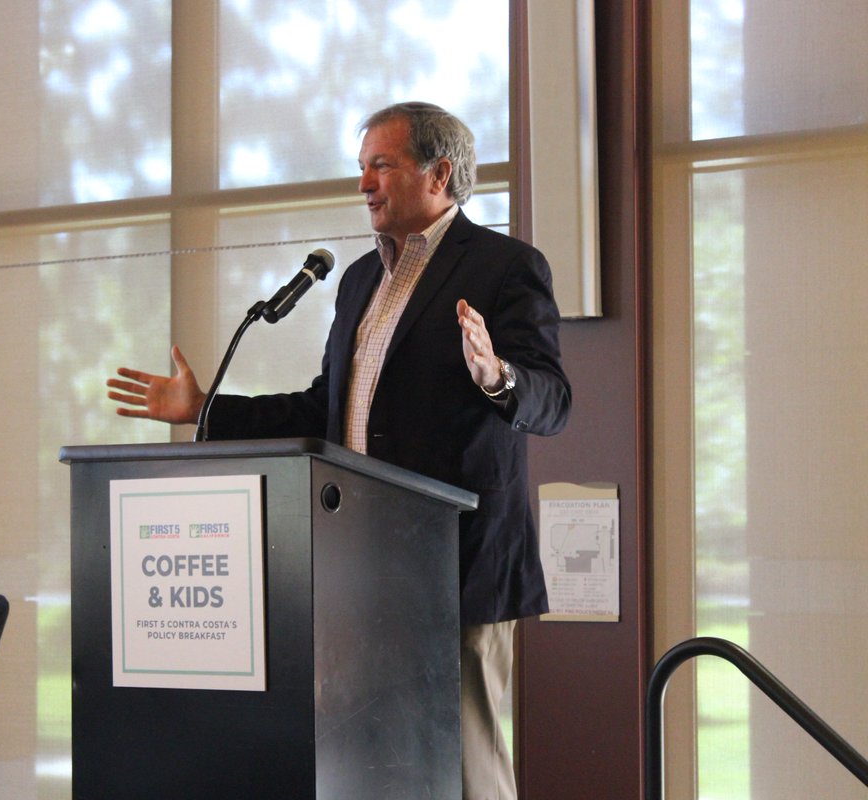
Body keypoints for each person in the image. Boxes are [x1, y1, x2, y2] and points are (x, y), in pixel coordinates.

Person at [107, 101, 571, 800]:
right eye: (361, 167)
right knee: (372, 762)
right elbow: (323, 411)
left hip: (458, 565)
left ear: (439, 174)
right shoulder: (359, 280)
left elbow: (554, 400)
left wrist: (496, 375)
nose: (364, 183)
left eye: (381, 165)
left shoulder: (505, 266)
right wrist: (204, 409)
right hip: (362, 565)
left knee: (465, 767)